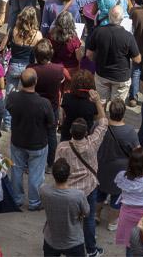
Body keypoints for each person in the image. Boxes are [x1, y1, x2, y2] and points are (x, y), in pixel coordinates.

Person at [56, 91, 109, 257]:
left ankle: (65, 246)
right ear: (86, 132)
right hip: (89, 187)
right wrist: (98, 102)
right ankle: (91, 249)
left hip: (69, 189)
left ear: (71, 131)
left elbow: (58, 166)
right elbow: (103, 123)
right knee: (89, 218)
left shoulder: (62, 147)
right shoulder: (92, 143)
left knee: (69, 219)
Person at [5, 68, 55, 211]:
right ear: (36, 81)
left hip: (18, 141)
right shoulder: (44, 103)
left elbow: (8, 109)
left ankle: (16, 198)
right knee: (36, 174)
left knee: (16, 170)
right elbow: (51, 123)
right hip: (37, 144)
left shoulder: (13, 97)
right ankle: (34, 201)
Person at [94, 97, 139, 232]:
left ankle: (95, 215)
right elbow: (138, 151)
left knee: (99, 192)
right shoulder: (130, 131)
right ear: (123, 113)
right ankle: (112, 222)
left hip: (101, 165)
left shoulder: (99, 126)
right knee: (117, 196)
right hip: (121, 170)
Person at [86, 5, 141, 103]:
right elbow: (137, 59)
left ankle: (102, 118)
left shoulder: (98, 31)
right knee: (117, 107)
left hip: (102, 73)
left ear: (109, 16)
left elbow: (89, 54)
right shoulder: (128, 36)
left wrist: (97, 60)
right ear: (122, 18)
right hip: (121, 76)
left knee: (100, 103)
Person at [40, 159, 89, 257]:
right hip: (73, 240)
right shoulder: (78, 195)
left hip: (51, 238)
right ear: (69, 174)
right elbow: (86, 212)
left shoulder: (43, 190)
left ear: (53, 174)